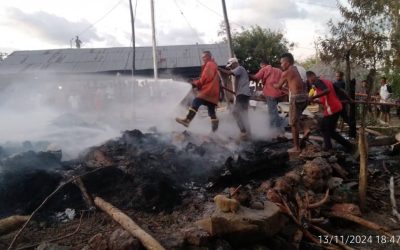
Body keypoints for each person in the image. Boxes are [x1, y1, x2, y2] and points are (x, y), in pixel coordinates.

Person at [306, 71, 353, 152]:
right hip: (336, 106)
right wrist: (349, 99)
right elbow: (340, 91)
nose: (309, 81)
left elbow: (327, 90)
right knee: (325, 128)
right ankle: (343, 146)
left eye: (308, 79)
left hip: (332, 108)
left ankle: (330, 148)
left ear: (312, 76)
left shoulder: (317, 82)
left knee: (325, 129)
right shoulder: (327, 81)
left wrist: (313, 97)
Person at [176, 51, 220, 132]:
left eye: (204, 57)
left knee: (196, 102)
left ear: (209, 56)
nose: (203, 59)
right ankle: (215, 131)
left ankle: (187, 120)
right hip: (214, 92)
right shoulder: (213, 64)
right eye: (202, 57)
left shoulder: (209, 64)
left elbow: (206, 78)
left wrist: (195, 84)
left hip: (209, 90)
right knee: (211, 111)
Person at [273, 53, 308, 153]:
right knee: (299, 117)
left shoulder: (286, 72)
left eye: (282, 63)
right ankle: (306, 129)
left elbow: (279, 86)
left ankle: (296, 148)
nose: (281, 65)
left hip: (295, 98)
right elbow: (295, 84)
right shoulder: (298, 70)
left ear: (287, 63)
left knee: (293, 123)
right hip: (305, 96)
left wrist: (272, 84)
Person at [218, 58, 251, 139]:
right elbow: (234, 80)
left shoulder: (240, 68)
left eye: (231, 66)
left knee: (235, 112)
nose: (230, 68)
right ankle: (249, 133)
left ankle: (243, 132)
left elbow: (228, 73)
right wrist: (236, 93)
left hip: (243, 94)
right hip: (243, 94)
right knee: (244, 114)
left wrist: (218, 68)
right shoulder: (239, 72)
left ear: (235, 63)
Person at [250, 59, 286, 133]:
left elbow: (256, 77)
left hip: (270, 93)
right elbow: (284, 80)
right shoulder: (278, 70)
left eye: (261, 66)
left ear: (263, 65)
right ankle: (277, 126)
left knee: (272, 112)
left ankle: (276, 129)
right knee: (274, 110)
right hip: (278, 93)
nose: (261, 68)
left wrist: (247, 75)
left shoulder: (265, 69)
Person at [333, 71, 355, 138]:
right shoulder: (338, 83)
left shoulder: (340, 83)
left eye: (338, 76)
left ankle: (352, 130)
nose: (337, 77)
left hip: (340, 103)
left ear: (342, 77)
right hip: (340, 102)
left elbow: (340, 92)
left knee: (342, 117)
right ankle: (352, 129)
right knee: (343, 117)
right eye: (336, 76)